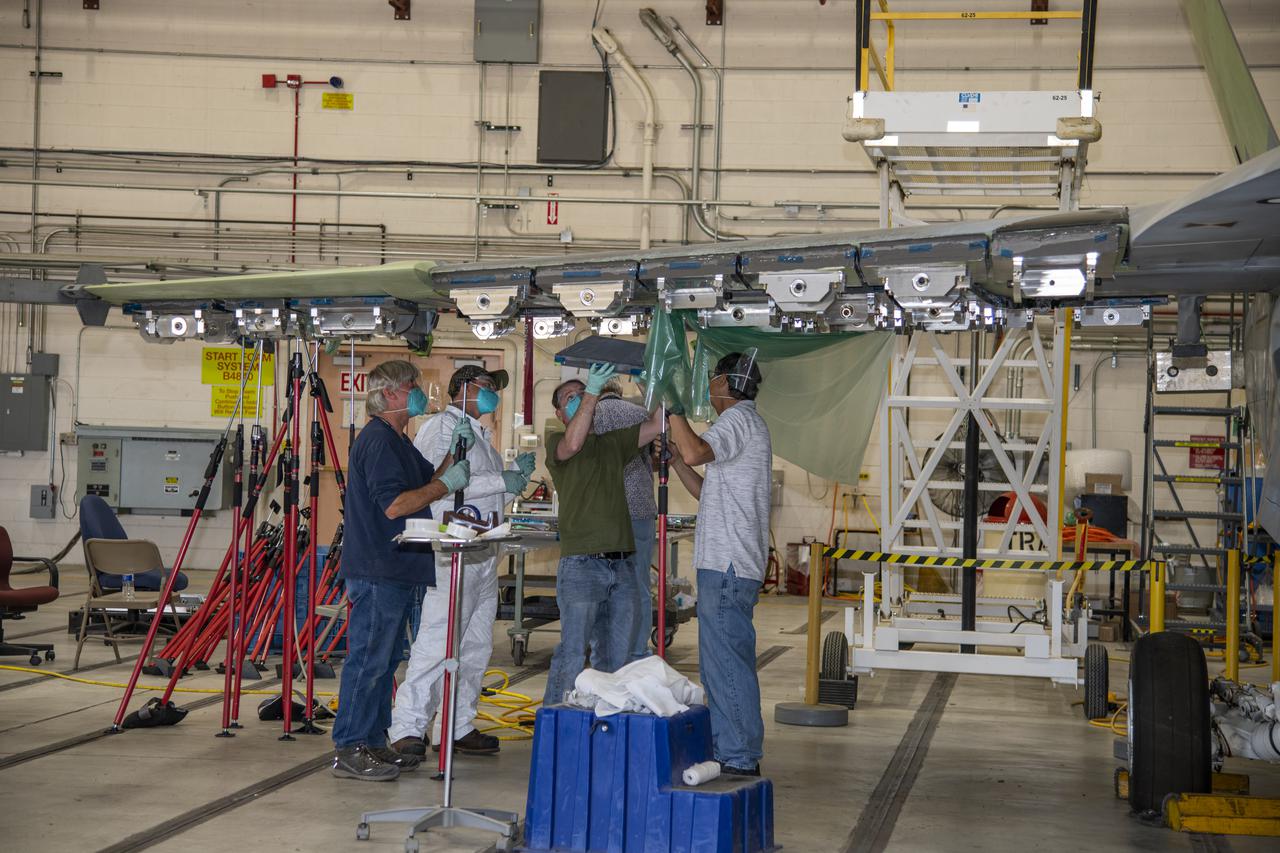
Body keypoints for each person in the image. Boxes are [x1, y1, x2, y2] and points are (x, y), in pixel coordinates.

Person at [331, 360, 474, 782]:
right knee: (369, 661)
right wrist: (446, 486)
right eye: (412, 386)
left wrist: (454, 456)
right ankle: (350, 746)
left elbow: (424, 482)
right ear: (390, 394)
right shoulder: (377, 441)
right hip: (379, 568)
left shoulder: (399, 440)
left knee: (387, 659)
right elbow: (396, 504)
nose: (418, 392)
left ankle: (374, 740)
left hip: (400, 568)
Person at [387, 365, 535, 758]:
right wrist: (503, 480)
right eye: (486, 387)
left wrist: (510, 483)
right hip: (452, 552)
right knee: (438, 641)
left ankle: (457, 725)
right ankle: (408, 727)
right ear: (463, 389)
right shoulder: (441, 428)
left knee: (474, 646)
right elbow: (438, 486)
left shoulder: (480, 435)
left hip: (483, 552)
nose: (492, 395)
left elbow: (477, 497)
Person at [667, 351, 771, 776]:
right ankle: (729, 743)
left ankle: (739, 753)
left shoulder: (738, 419)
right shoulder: (742, 424)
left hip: (728, 563)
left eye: (712, 377)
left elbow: (694, 452)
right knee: (719, 658)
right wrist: (674, 460)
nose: (708, 384)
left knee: (725, 659)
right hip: (728, 560)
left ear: (726, 383)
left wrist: (672, 408)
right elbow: (703, 485)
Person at [542, 363, 665, 707]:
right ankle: (555, 722)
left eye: (582, 394)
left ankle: (603, 723)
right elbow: (574, 442)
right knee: (572, 651)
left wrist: (650, 387)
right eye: (570, 398)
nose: (579, 399)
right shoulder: (557, 443)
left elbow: (657, 424)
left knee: (616, 656)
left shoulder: (613, 443)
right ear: (559, 412)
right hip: (582, 565)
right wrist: (592, 394)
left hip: (622, 563)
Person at [589, 377, 658, 664]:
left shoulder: (590, 415)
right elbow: (651, 459)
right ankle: (638, 650)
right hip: (640, 509)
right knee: (639, 583)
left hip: (605, 511)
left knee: (601, 585)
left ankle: (604, 653)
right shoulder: (640, 414)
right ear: (619, 392)